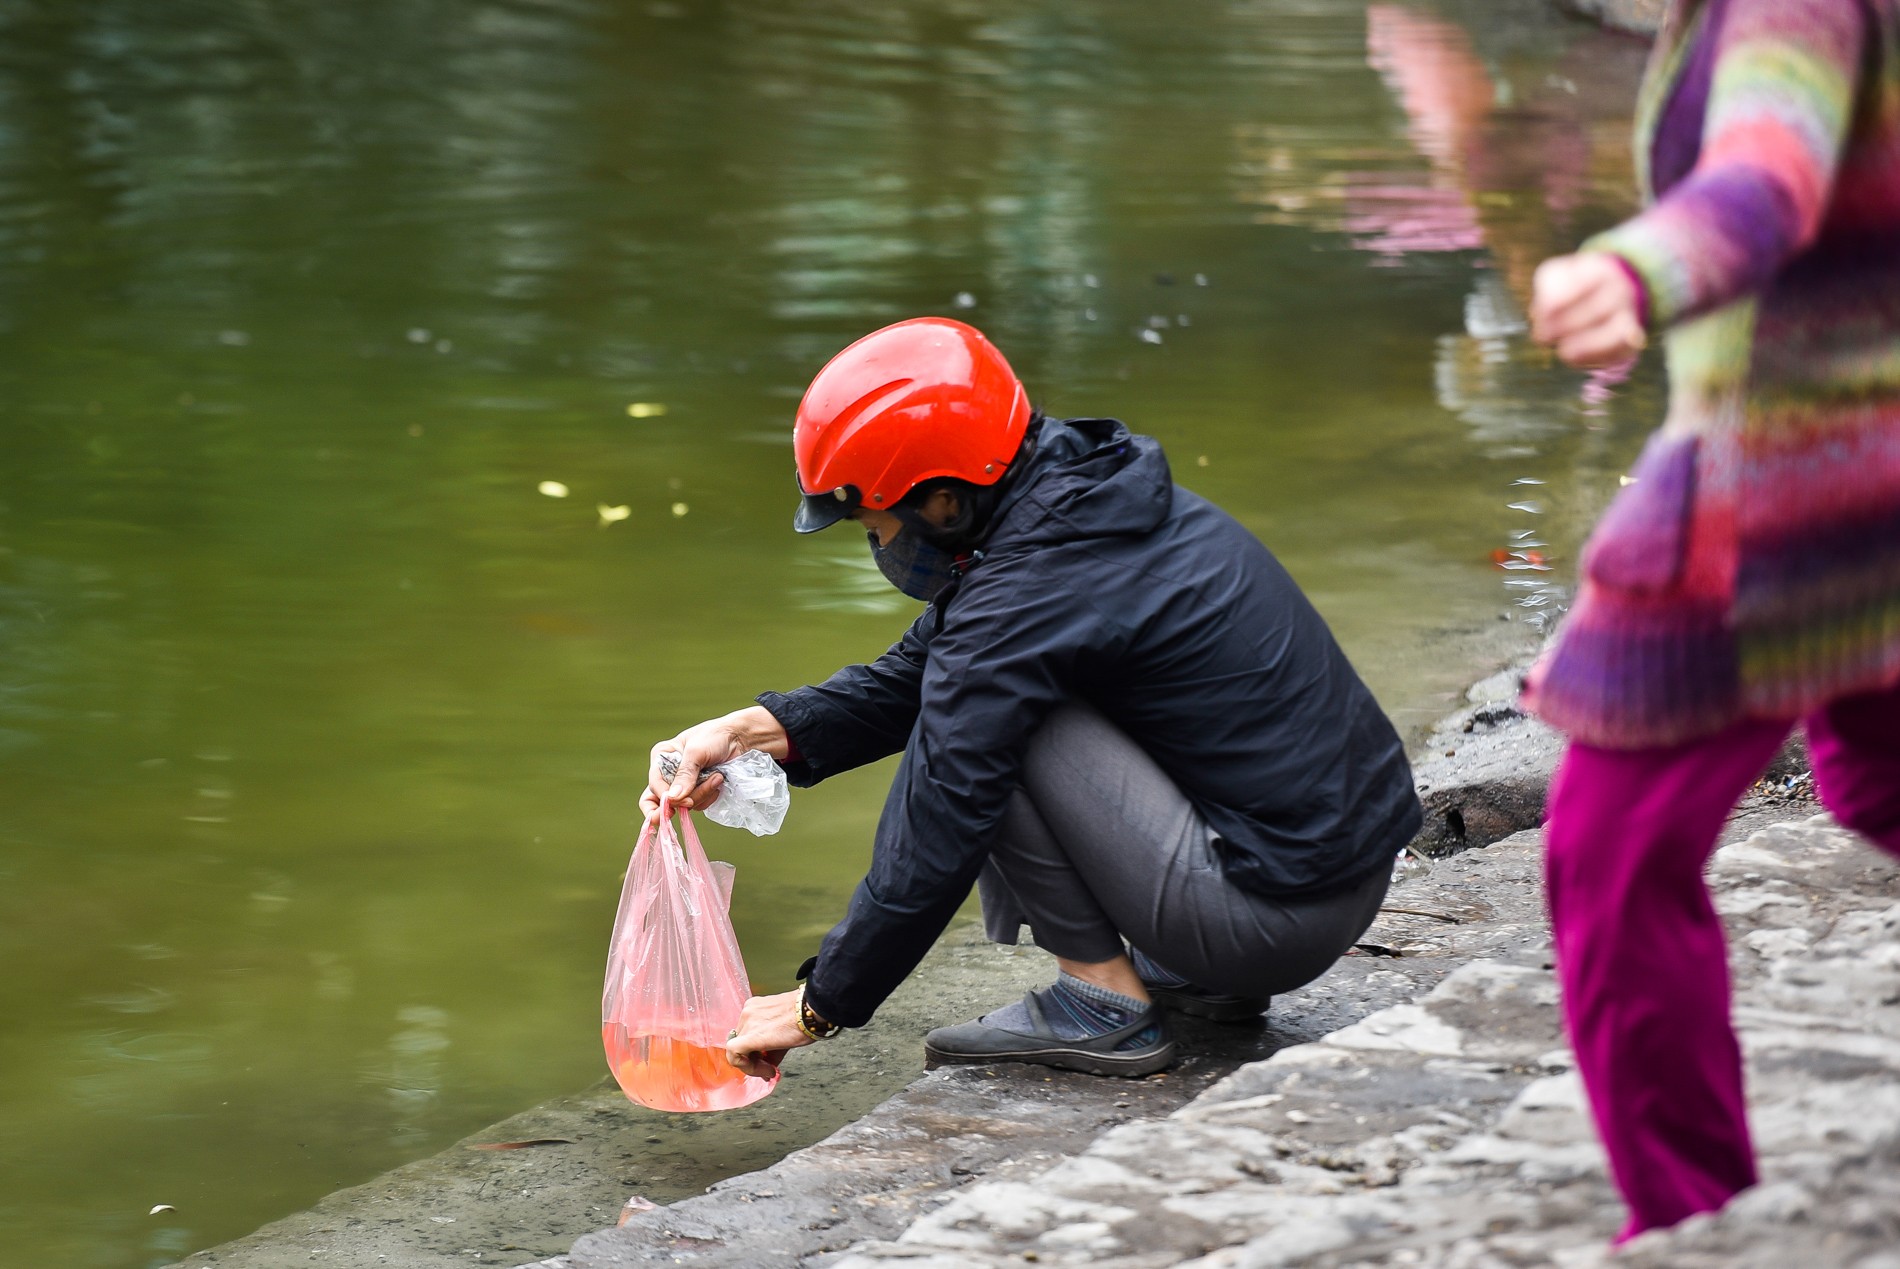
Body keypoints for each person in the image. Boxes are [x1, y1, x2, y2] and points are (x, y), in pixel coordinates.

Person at [642, 316, 1421, 1080]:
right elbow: (921, 669)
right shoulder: (1081, 505)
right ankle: (1195, 978)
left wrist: (823, 1000)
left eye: (867, 520)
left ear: (941, 502)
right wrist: (744, 732)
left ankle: (1100, 1001)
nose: (873, 541)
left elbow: (943, 804)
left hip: (1273, 917)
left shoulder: (1029, 585)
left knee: (990, 734)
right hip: (1332, 878)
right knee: (983, 699)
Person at [1525, 0, 1900, 1243]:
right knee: (1871, 779)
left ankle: (1697, 1224)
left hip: (1780, 494)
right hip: (1860, 474)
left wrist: (1631, 268)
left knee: (1608, 856)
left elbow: (1764, 176)